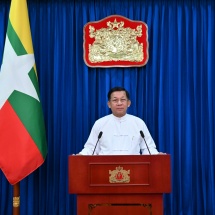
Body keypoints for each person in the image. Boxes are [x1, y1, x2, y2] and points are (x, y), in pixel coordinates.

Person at [78, 86, 160, 155]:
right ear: (109, 104)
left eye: (123, 100)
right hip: (105, 169)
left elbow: (148, 148)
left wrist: (157, 155)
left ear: (129, 103)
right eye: (115, 100)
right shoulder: (100, 123)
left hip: (133, 169)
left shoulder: (138, 123)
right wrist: (81, 155)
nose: (119, 103)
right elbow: (91, 148)